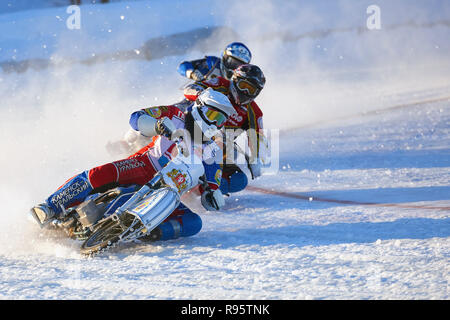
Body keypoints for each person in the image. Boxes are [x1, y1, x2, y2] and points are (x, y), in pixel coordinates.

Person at [30, 89, 237, 242]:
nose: (215, 124)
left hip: (170, 191)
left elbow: (212, 183)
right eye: (213, 116)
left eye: (220, 120)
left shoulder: (212, 150)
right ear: (200, 107)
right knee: (98, 174)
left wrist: (212, 195)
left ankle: (149, 232)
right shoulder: (175, 115)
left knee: (193, 223)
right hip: (144, 166)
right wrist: (155, 125)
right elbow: (135, 118)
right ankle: (50, 206)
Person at [130, 64, 267, 196]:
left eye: (252, 90)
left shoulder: (254, 112)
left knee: (239, 179)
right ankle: (141, 141)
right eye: (244, 86)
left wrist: (256, 158)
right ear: (235, 80)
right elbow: (189, 89)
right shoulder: (219, 83)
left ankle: (197, 190)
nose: (246, 92)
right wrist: (202, 94)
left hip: (210, 146)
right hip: (185, 126)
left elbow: (257, 138)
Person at [177, 42, 252, 82]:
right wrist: (192, 73)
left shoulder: (242, 81)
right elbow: (182, 66)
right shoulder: (212, 63)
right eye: (232, 62)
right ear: (224, 57)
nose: (234, 68)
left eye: (239, 66)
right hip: (196, 99)